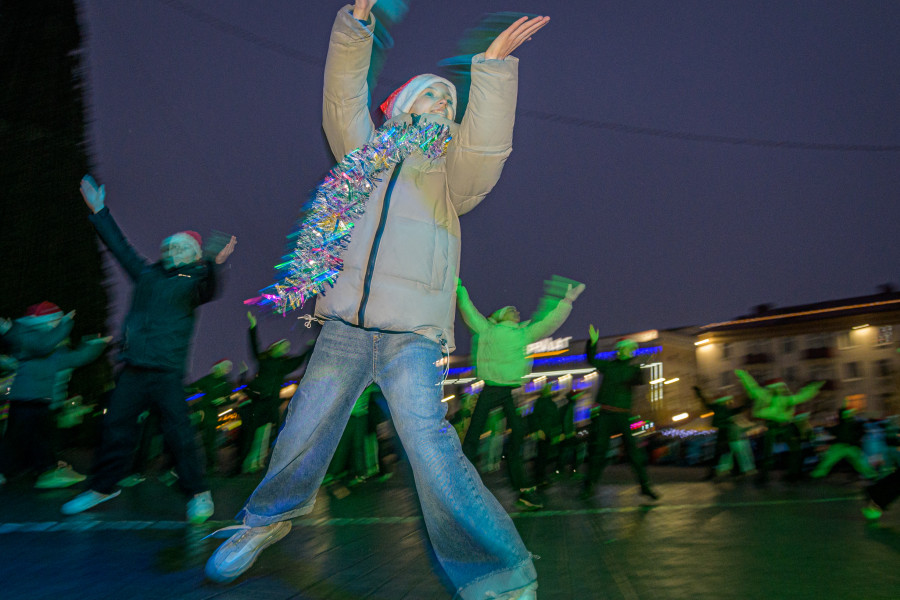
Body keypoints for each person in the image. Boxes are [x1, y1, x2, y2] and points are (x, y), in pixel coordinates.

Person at [205, 4, 548, 598]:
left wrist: (491, 73)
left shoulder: (450, 176)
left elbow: (488, 152)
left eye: (448, 102)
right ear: (400, 104)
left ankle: (496, 570)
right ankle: (262, 524)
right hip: (344, 326)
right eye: (430, 97)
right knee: (303, 428)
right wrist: (354, 29)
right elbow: (341, 97)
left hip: (411, 331)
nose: (441, 107)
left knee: (430, 446)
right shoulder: (361, 154)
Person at [61, 174, 236, 524]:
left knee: (179, 432)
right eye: (170, 248)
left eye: (183, 249)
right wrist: (99, 211)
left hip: (167, 372)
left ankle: (198, 492)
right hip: (134, 368)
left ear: (194, 255)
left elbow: (211, 290)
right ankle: (103, 486)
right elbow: (119, 246)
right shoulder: (146, 275)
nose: (174, 253)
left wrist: (215, 265)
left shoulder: (193, 282)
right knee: (116, 428)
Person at [456, 277, 585, 509]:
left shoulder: (523, 333)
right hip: (492, 389)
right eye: (510, 309)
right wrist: (460, 290)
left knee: (515, 437)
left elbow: (550, 323)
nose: (516, 310)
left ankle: (524, 489)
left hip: (508, 392)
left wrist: (566, 301)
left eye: (515, 310)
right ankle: (458, 484)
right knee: (473, 437)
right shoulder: (487, 329)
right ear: (499, 316)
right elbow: (468, 310)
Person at [0, 302, 110, 488]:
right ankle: (42, 470)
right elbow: (43, 345)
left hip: (40, 400)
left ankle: (45, 471)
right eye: (54, 322)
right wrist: (65, 324)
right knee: (22, 438)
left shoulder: (49, 345)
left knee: (36, 438)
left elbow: (71, 359)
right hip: (26, 399)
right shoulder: (27, 336)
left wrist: (95, 346)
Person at [581, 326, 659, 501]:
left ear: (631, 351)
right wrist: (593, 343)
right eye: (621, 349)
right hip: (605, 414)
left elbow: (640, 381)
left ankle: (644, 486)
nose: (623, 351)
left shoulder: (633, 369)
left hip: (622, 415)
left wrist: (641, 370)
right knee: (598, 451)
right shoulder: (609, 365)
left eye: (627, 349)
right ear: (617, 351)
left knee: (634, 452)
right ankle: (589, 486)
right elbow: (592, 360)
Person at [240, 312, 313, 473]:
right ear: (275, 347)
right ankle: (248, 462)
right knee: (254, 433)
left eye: (286, 347)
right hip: (259, 401)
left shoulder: (283, 364)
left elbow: (298, 360)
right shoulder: (264, 359)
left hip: (272, 402)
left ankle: (258, 462)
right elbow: (254, 346)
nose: (284, 349)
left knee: (266, 433)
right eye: (282, 346)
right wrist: (253, 326)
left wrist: (309, 347)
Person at [734, 370, 824, 484]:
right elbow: (753, 388)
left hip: (784, 426)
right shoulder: (767, 397)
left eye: (780, 388)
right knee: (768, 452)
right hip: (773, 426)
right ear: (773, 389)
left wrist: (813, 388)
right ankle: (764, 476)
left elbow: (801, 397)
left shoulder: (785, 399)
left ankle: (793, 474)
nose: (779, 390)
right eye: (777, 388)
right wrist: (744, 376)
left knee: (794, 449)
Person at [693, 385, 755, 479]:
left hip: (723, 433)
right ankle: (736, 472)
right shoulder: (727, 409)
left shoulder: (717, 407)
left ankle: (714, 473)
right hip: (727, 433)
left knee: (719, 454)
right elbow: (740, 409)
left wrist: (699, 393)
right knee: (730, 452)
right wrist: (749, 401)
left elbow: (705, 402)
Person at [187, 359, 236, 472]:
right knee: (193, 439)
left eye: (228, 368)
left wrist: (222, 400)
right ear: (218, 367)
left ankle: (211, 465)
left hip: (212, 415)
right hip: (202, 412)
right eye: (225, 367)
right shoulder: (208, 379)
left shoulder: (224, 382)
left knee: (210, 440)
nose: (226, 370)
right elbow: (194, 386)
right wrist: (188, 389)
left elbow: (229, 398)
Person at [810, 406, 877, 480]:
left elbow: (860, 431)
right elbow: (860, 431)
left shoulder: (851, 424)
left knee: (830, 460)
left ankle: (871, 474)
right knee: (830, 460)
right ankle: (871, 474)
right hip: (844, 446)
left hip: (845, 446)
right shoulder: (849, 424)